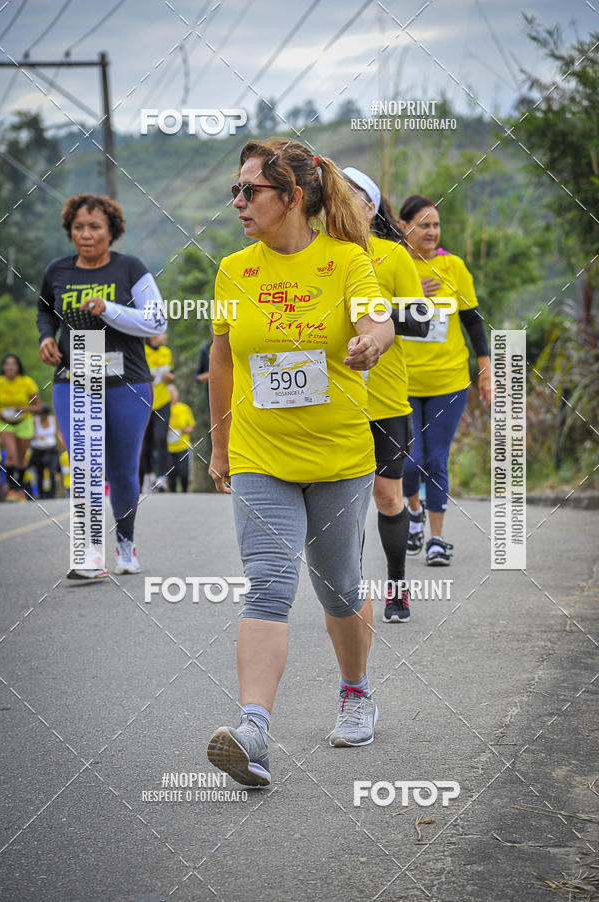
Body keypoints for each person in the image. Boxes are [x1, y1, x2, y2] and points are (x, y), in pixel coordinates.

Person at [205, 138, 393, 788]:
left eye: (249, 190)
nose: (238, 202)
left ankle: (356, 691)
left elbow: (378, 319)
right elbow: (222, 358)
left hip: (339, 456)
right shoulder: (234, 269)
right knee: (267, 584)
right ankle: (253, 730)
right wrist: (220, 444)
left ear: (290, 197)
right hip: (261, 454)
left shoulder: (346, 261)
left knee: (338, 585)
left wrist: (372, 341)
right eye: (235, 190)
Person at [36, 193, 167, 579]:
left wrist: (109, 309)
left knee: (123, 470)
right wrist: (46, 337)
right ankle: (89, 552)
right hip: (75, 376)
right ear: (69, 231)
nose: (86, 234)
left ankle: (125, 543)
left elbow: (156, 322)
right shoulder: (58, 271)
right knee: (84, 463)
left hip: (127, 380)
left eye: (95, 227)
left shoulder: (130, 268)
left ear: (112, 232)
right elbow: (45, 310)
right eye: (78, 227)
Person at [342, 167, 429, 624]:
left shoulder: (394, 256)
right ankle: (349, 594)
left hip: (385, 397)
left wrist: (371, 314)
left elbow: (420, 320)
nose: (338, 200)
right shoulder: (320, 256)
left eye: (350, 194)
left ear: (370, 206)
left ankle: (397, 587)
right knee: (343, 503)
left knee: (388, 497)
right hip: (335, 399)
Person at [398, 194, 492, 565]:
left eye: (436, 225)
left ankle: (436, 539)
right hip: (403, 382)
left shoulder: (454, 266)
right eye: (424, 224)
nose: (432, 231)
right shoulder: (392, 264)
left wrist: (484, 369)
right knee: (409, 463)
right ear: (404, 227)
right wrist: (410, 296)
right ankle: (414, 512)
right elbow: (373, 311)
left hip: (448, 382)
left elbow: (472, 319)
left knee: (436, 460)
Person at [0, 354, 41, 501]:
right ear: (3, 367)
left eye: (13, 364)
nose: (10, 367)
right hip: (4, 422)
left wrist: (24, 409)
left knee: (21, 458)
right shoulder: (0, 382)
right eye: (7, 364)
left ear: (18, 367)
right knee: (11, 455)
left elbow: (38, 406)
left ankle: (20, 487)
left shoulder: (26, 382)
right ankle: (12, 489)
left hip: (24, 422)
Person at [140, 332, 175, 493]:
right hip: (145, 402)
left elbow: (172, 373)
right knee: (146, 441)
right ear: (152, 336)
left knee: (161, 438)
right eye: (162, 333)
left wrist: (169, 377)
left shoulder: (167, 352)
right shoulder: (142, 350)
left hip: (163, 401)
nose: (166, 336)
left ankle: (162, 477)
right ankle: (148, 476)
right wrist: (150, 376)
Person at [166, 384, 195, 493]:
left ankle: (185, 492)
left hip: (183, 446)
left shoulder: (184, 408)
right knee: (171, 473)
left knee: (184, 472)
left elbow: (191, 426)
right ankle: (172, 495)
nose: (171, 395)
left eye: (172, 392)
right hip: (168, 448)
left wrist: (181, 430)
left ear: (177, 393)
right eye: (168, 392)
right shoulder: (163, 410)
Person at [30, 402, 60, 499]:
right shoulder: (34, 420)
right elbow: (27, 435)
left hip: (51, 450)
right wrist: (36, 437)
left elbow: (57, 433)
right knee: (40, 473)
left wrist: (61, 443)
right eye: (41, 415)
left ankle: (52, 495)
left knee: (52, 472)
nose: (43, 417)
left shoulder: (53, 420)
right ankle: (41, 495)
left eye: (45, 415)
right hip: (38, 450)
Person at [195, 335, 212, 412]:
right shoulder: (205, 350)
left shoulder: (231, 345)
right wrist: (211, 375)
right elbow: (197, 377)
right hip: (212, 391)